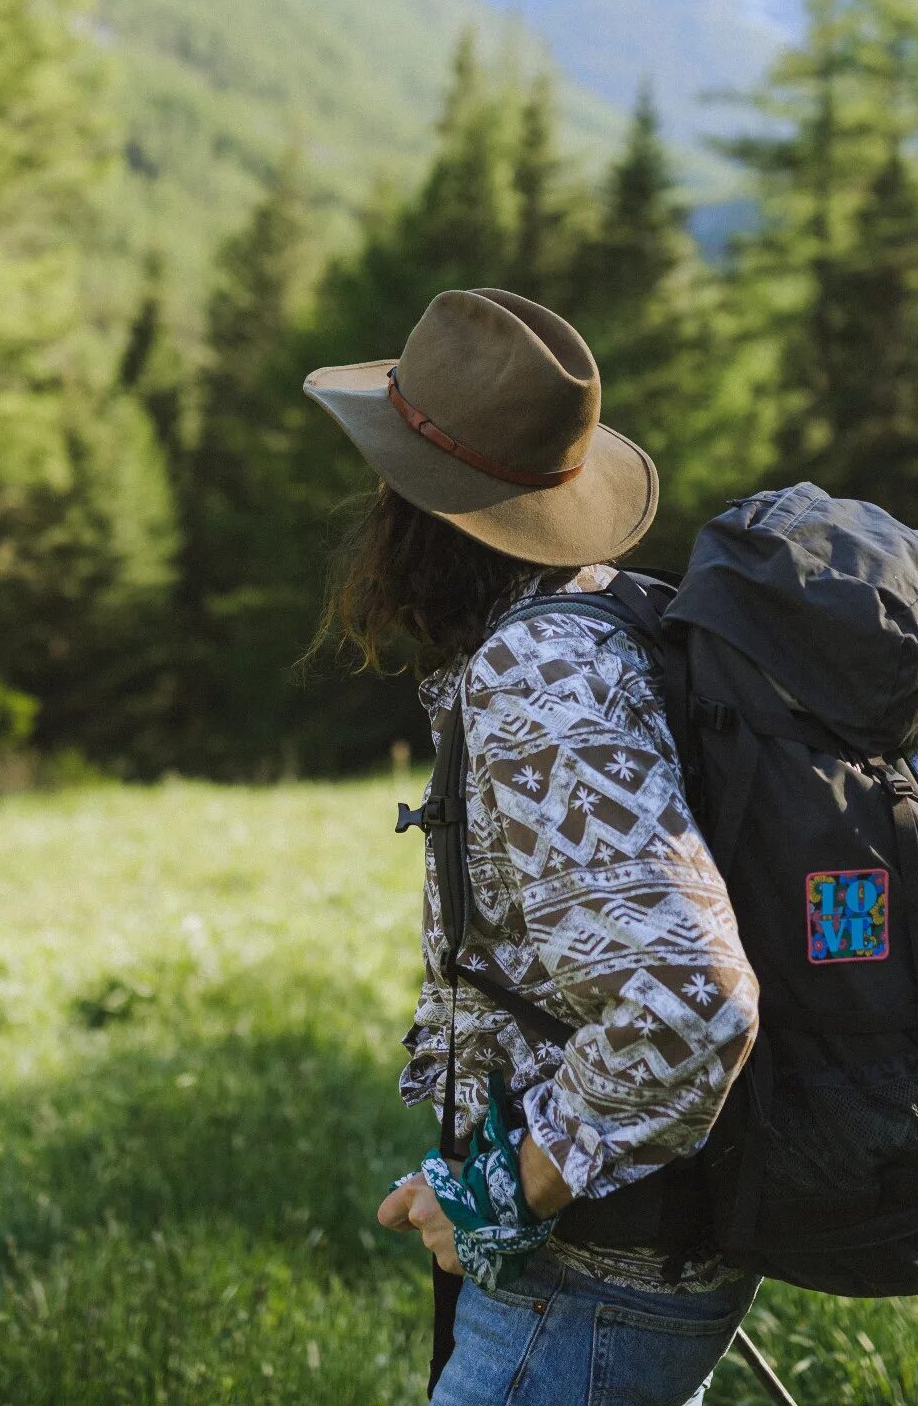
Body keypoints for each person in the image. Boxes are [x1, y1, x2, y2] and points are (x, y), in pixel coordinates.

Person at [305, 287, 763, 1406]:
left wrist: (504, 1194)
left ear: (415, 505)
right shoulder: (597, 618)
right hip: (626, 1267)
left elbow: (691, 999)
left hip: (590, 1284)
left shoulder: (541, 679)